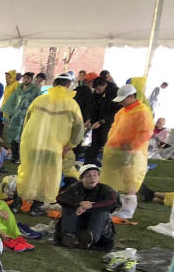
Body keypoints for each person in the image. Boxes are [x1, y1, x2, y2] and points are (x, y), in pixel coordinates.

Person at [16, 73, 85, 215]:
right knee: (47, 176)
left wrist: (26, 139)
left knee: (28, 171)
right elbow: (79, 128)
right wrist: (71, 144)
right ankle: (37, 206)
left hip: (34, 143)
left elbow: (26, 121)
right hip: (55, 148)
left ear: (53, 84)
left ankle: (18, 202)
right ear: (68, 86)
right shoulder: (72, 104)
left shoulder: (40, 100)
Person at [100, 83, 154, 220]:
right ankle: (112, 204)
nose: (122, 102)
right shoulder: (122, 111)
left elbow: (146, 132)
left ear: (131, 96)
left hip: (130, 153)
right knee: (112, 179)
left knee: (128, 180)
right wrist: (110, 143)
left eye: (124, 99)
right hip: (115, 150)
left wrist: (132, 145)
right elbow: (113, 129)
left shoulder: (142, 112)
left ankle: (128, 209)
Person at [54, 164, 118, 250]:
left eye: (95, 175)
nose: (92, 178)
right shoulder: (75, 187)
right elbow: (60, 198)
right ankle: (69, 236)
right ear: (81, 178)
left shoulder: (105, 189)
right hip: (77, 220)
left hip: (98, 225)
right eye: (88, 176)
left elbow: (112, 202)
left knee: (102, 211)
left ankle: (90, 238)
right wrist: (79, 203)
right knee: (68, 207)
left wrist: (91, 206)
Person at [1, 72, 40, 164]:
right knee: (14, 136)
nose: (26, 80)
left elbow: (38, 103)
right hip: (16, 117)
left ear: (31, 79)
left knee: (24, 137)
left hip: (27, 117)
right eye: (24, 78)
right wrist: (10, 113)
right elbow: (12, 101)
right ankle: (15, 157)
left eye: (28, 78)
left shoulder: (35, 90)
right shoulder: (18, 89)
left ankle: (23, 157)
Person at [86, 77, 119, 164]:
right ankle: (88, 164)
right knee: (94, 145)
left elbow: (116, 112)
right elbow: (93, 107)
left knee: (107, 145)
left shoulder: (115, 94)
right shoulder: (96, 94)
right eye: (95, 89)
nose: (97, 91)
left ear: (105, 85)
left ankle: (109, 165)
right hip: (96, 124)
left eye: (99, 89)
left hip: (109, 125)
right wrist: (90, 119)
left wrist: (102, 121)